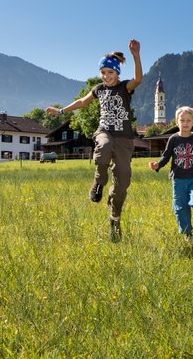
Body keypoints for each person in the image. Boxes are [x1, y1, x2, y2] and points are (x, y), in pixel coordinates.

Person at [46, 39, 142, 242]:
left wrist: (135, 56)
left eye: (110, 73)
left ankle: (114, 219)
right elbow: (82, 102)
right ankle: (98, 182)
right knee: (104, 146)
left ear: (117, 73)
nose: (106, 76)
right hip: (104, 131)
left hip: (124, 138)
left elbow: (138, 79)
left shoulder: (125, 88)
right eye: (103, 73)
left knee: (123, 182)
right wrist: (61, 110)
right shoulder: (98, 89)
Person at [149, 107, 193, 240]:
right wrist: (158, 165)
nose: (185, 123)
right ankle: (187, 233)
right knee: (180, 207)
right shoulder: (173, 139)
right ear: (177, 122)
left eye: (188, 120)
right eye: (182, 120)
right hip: (178, 180)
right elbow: (166, 157)